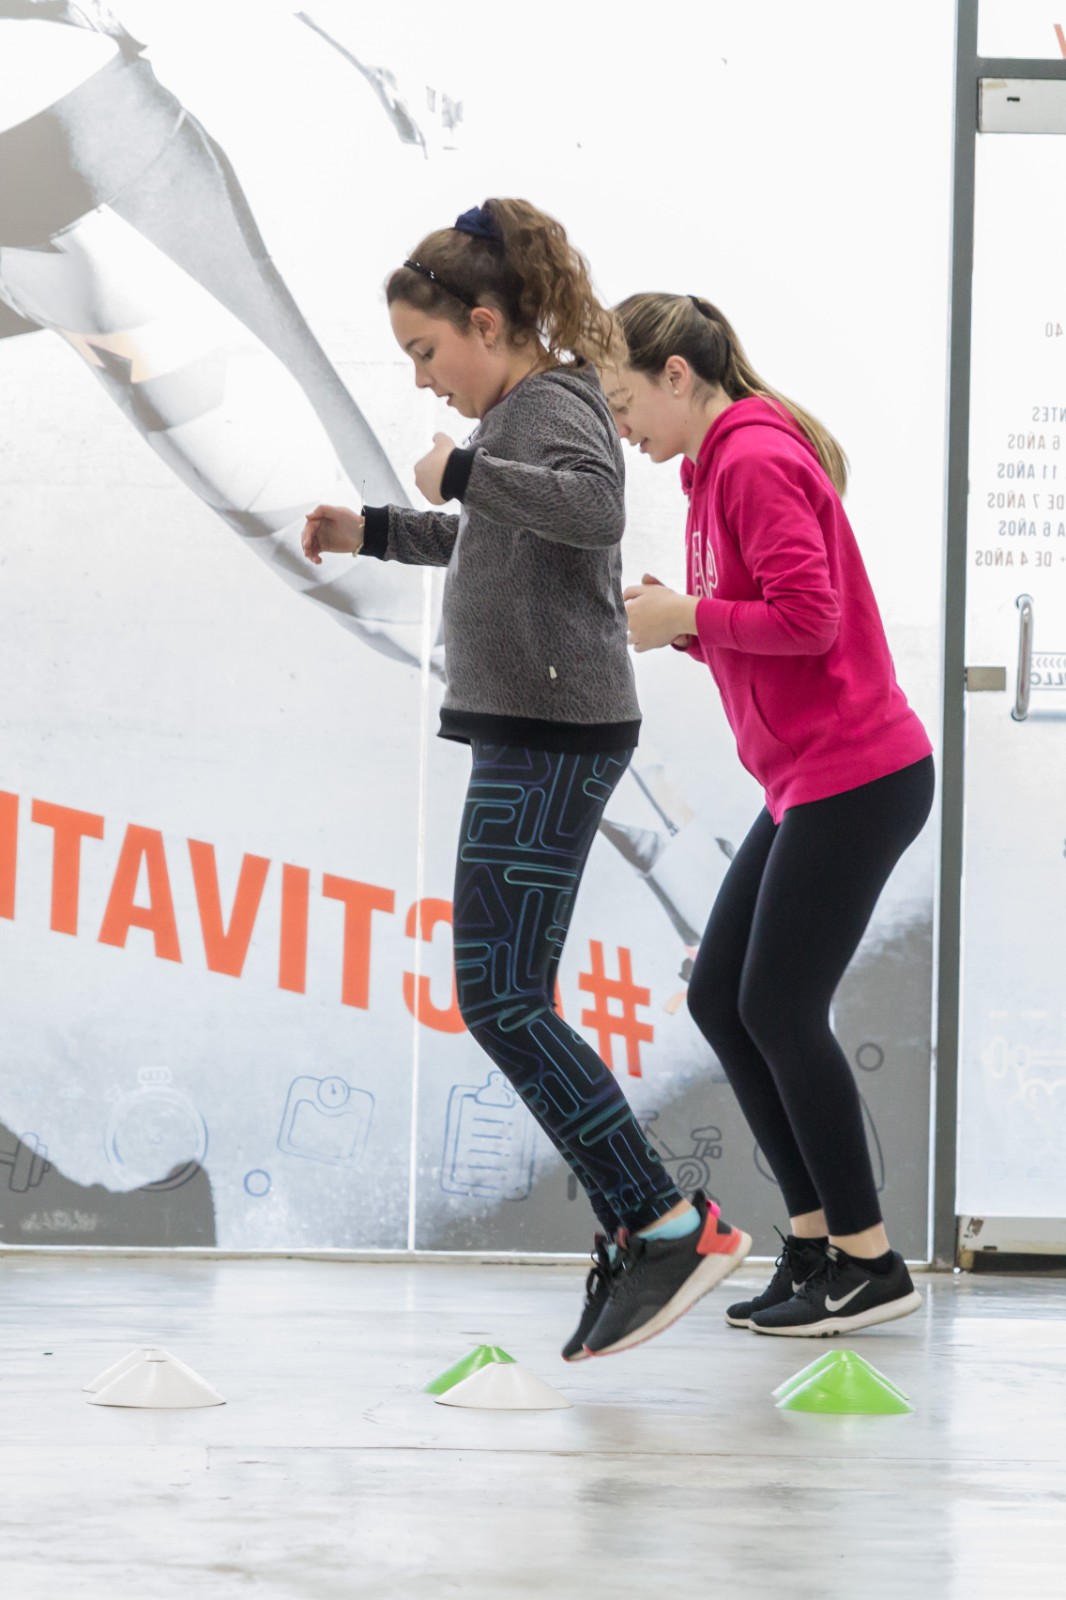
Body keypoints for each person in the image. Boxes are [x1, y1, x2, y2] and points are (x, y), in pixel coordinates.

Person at [301, 205, 750, 1359]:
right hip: (533, 730)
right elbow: (492, 541)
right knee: (505, 994)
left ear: (487, 324)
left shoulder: (550, 405)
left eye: (425, 351)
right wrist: (374, 530)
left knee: (501, 997)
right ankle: (648, 1222)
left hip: (552, 732)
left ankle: (664, 1222)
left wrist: (461, 469)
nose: (422, 378)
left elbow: (592, 511)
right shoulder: (519, 417)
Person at [611, 292, 934, 1337]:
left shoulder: (750, 459)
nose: (621, 424)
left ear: (675, 375)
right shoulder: (711, 472)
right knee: (723, 997)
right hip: (807, 780)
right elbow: (765, 622)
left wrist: (691, 613)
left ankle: (871, 1263)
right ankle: (814, 1242)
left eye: (623, 400)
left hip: (858, 772)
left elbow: (811, 619)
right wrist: (686, 623)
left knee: (782, 1008)